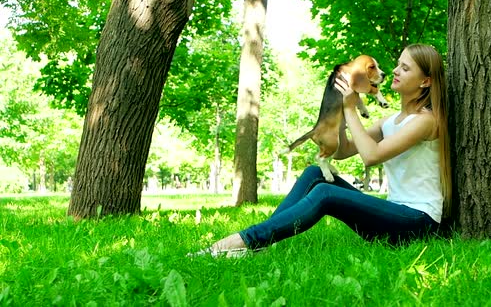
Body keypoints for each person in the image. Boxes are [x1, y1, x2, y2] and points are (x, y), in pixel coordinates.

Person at [193, 44, 452, 257]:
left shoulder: (426, 121)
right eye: (398, 64)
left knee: (326, 193)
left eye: (405, 68)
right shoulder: (391, 120)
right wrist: (337, 107)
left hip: (418, 222)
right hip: (392, 215)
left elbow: (371, 156)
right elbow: (345, 150)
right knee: (315, 172)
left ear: (425, 81)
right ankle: (260, 243)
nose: (395, 70)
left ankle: (238, 243)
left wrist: (352, 109)